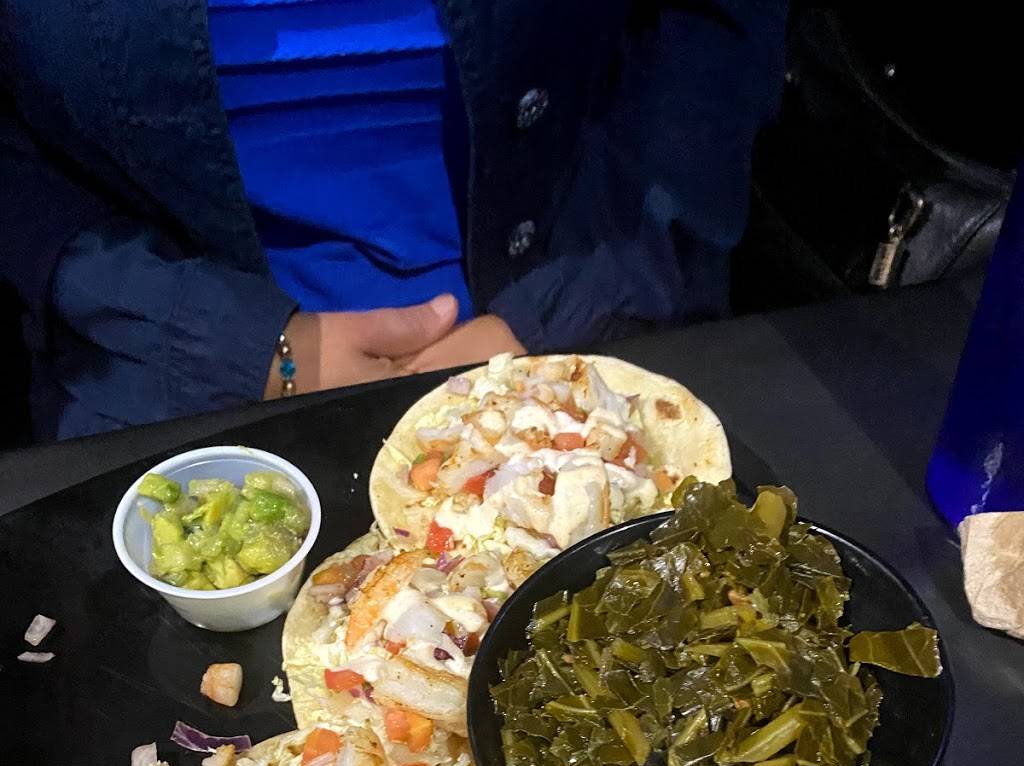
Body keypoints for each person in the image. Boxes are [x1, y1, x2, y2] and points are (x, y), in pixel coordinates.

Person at [0, 1, 787, 442]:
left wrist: (566, 305)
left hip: (592, 303)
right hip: (153, 367)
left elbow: (712, 30)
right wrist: (234, 342)